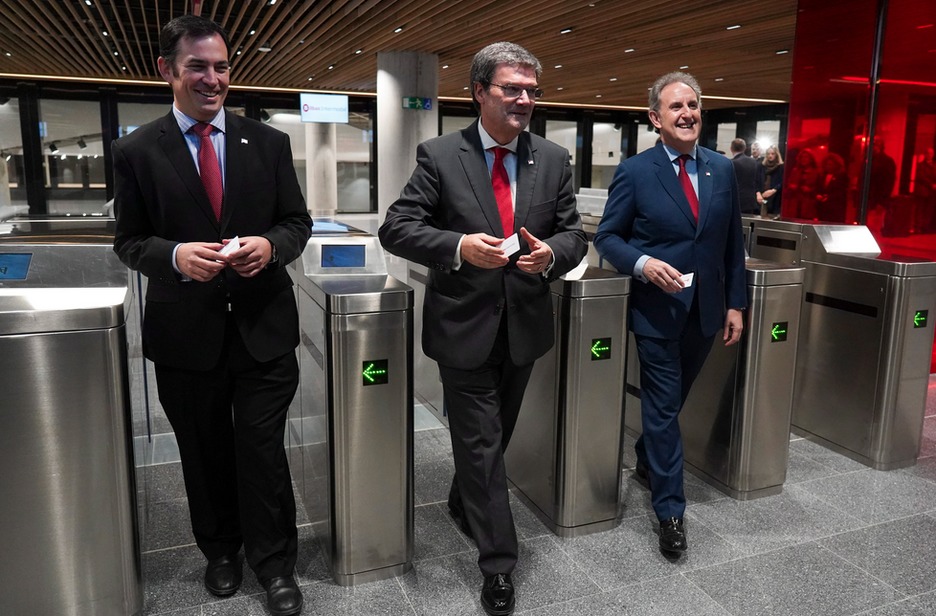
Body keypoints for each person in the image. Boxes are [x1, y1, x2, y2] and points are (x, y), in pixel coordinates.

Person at [378, 42, 587, 615]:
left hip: (524, 328)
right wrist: (459, 247)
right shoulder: (442, 155)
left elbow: (574, 235)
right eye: (512, 88)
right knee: (482, 444)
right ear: (479, 91)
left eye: (531, 90)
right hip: (463, 328)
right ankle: (498, 563)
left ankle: (462, 501)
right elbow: (396, 228)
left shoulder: (553, 158)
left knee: (491, 443)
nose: (524, 100)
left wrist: (552, 256)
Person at [112, 15, 310, 616]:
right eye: (197, 66)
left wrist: (271, 247)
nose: (212, 78)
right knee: (202, 451)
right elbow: (128, 240)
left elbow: (295, 223)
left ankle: (274, 563)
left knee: (261, 449)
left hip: (263, 330)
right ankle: (220, 550)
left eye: (221, 65)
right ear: (167, 71)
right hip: (185, 336)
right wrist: (173, 255)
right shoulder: (136, 151)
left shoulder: (268, 143)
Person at [592, 71, 746, 559]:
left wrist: (736, 304)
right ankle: (670, 511)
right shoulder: (637, 171)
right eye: (676, 107)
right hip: (657, 313)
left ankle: (646, 460)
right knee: (661, 408)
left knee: (671, 404)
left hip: (706, 311)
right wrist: (642, 262)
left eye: (694, 105)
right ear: (655, 118)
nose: (688, 114)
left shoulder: (721, 170)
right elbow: (608, 236)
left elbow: (730, 245)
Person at [729, 137, 762, 214]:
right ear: (745, 148)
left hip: (736, 200)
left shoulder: (731, 163)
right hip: (751, 201)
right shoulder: (754, 162)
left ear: (731, 149)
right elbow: (758, 180)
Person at [786, 149, 820, 219]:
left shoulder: (816, 172)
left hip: (808, 203)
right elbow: (789, 183)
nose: (804, 159)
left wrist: (810, 190)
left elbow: (819, 188)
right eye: (802, 157)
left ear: (811, 159)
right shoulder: (795, 171)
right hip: (795, 201)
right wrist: (792, 186)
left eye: (806, 157)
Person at [815, 152, 848, 222]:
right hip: (823, 208)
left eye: (831, 164)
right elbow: (818, 188)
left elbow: (841, 192)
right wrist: (818, 195)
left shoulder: (842, 177)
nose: (829, 166)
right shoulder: (822, 176)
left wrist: (829, 197)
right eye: (827, 164)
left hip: (835, 208)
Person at [756, 145, 784, 218]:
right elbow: (756, 181)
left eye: (772, 154)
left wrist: (773, 190)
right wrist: (758, 193)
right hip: (762, 196)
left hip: (775, 198)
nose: (770, 156)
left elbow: (782, 182)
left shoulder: (781, 167)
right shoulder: (761, 166)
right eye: (768, 154)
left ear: (776, 154)